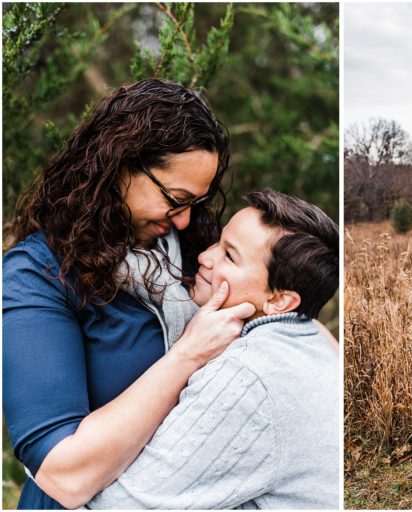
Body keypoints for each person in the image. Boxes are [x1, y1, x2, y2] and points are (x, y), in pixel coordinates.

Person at [3, 79, 255, 510]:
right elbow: (64, 474)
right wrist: (189, 354)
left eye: (196, 201)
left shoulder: (199, 248)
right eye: (175, 199)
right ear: (119, 164)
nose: (183, 220)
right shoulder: (37, 275)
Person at [86, 188, 340, 509]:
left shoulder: (246, 375)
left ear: (279, 301)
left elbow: (120, 506)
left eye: (229, 256)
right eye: (218, 242)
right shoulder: (308, 341)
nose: (205, 257)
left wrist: (47, 463)